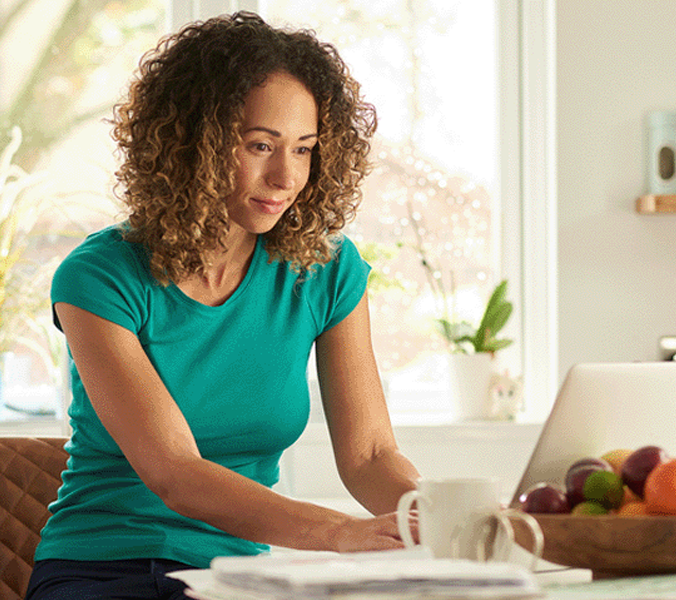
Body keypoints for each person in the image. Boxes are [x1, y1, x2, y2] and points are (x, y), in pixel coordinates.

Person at [25, 11, 420, 600]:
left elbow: (369, 455)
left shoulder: (327, 273)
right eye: (260, 145)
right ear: (193, 143)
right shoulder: (98, 277)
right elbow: (176, 475)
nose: (286, 176)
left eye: (305, 150)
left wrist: (439, 516)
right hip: (104, 567)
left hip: (237, 579)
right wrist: (342, 533)